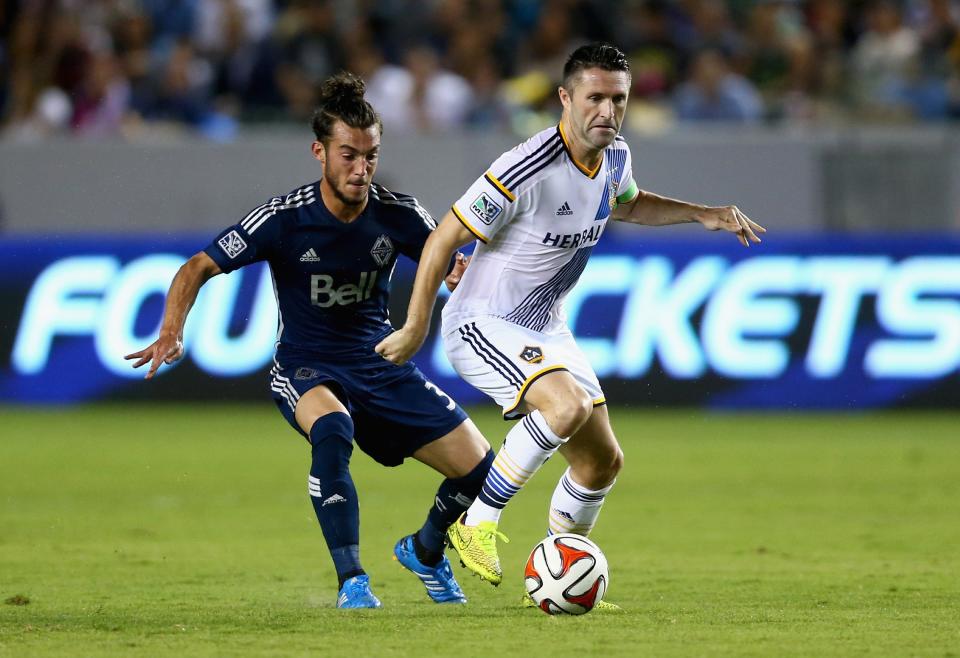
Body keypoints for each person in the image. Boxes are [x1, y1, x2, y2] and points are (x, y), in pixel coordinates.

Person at [375, 43, 765, 607]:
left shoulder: (616, 157)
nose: (607, 111)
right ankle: (477, 522)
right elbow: (442, 238)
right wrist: (415, 324)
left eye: (619, 99)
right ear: (565, 98)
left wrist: (701, 212)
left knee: (600, 460)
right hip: (482, 321)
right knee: (566, 407)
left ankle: (563, 570)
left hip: (545, 327)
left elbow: (628, 204)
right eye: (595, 98)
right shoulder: (526, 167)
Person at [125, 72, 495, 609]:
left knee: (482, 471)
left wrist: (457, 275)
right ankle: (353, 581)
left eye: (370, 156)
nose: (361, 168)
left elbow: (444, 257)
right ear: (319, 152)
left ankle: (426, 550)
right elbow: (198, 266)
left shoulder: (398, 214)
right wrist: (170, 329)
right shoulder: (283, 219)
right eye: (348, 155)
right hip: (307, 363)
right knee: (333, 429)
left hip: (379, 362)